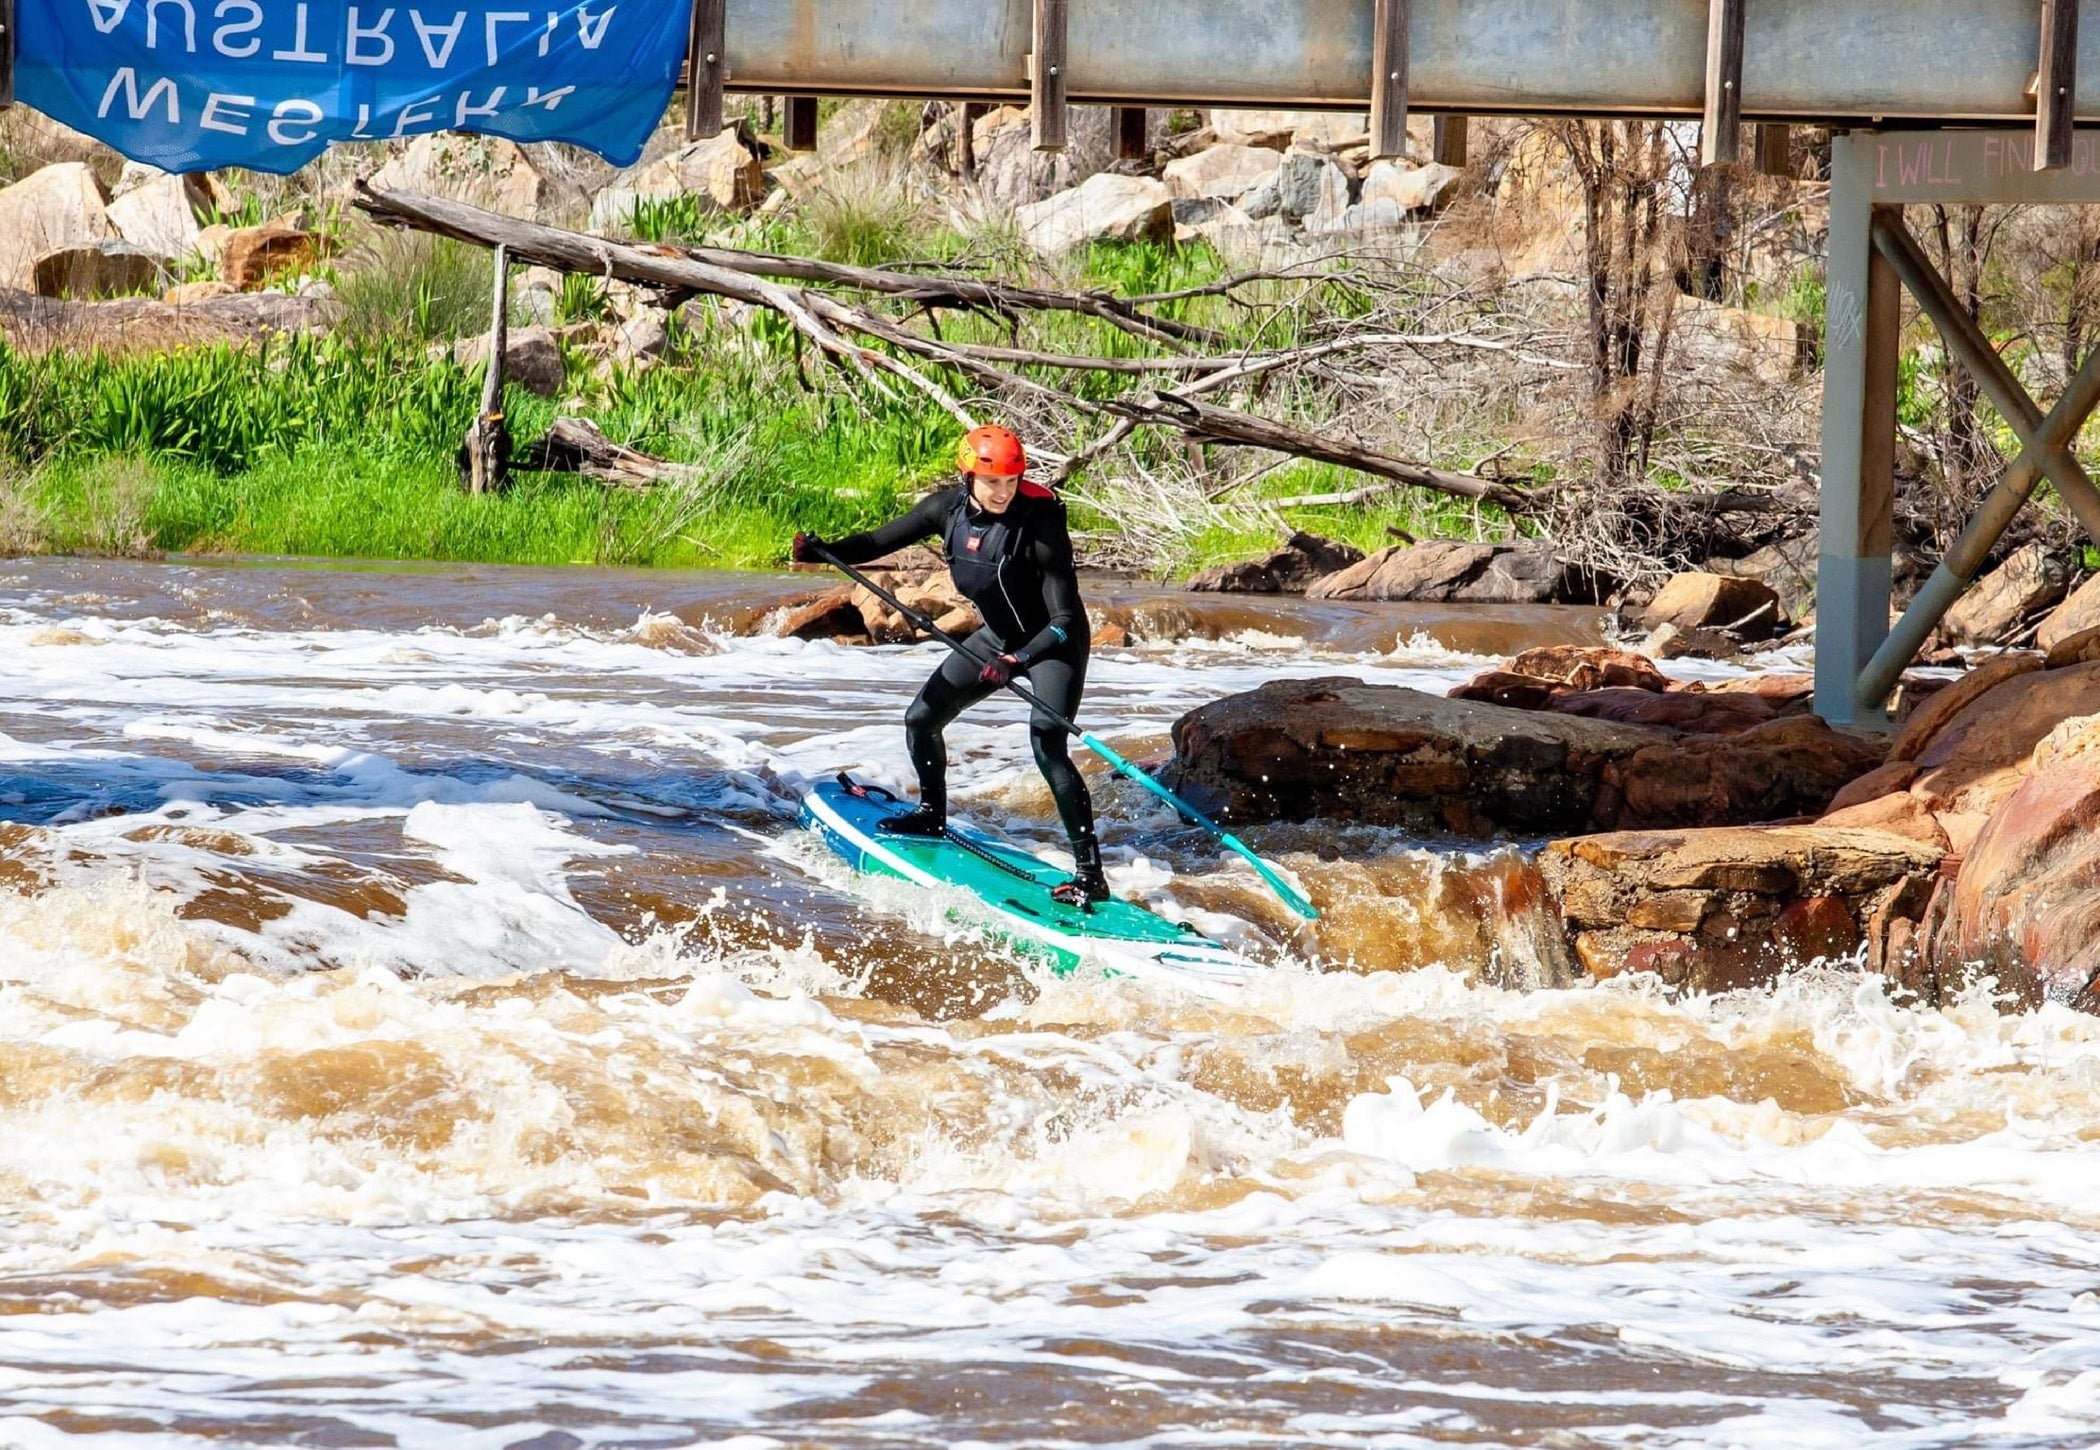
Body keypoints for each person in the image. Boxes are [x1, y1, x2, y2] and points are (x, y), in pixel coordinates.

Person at [793, 425, 1109, 909]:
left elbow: (1065, 618)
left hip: (1050, 647)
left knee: (1047, 741)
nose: (1003, 492)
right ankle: (930, 814)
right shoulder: (947, 510)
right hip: (998, 639)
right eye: (992, 483)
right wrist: (824, 550)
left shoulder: (1041, 526)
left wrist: (1018, 659)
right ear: (967, 477)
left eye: (1012, 481)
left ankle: (1090, 874)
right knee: (921, 718)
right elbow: (879, 540)